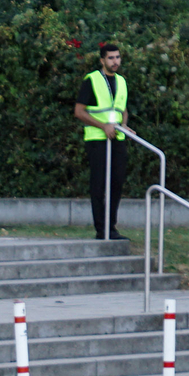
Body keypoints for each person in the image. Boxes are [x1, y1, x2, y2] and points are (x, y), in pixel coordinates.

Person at [71, 43, 133, 241]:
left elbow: (122, 108)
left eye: (117, 57)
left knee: (117, 183)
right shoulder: (92, 80)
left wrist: (124, 124)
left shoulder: (122, 81)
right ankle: (101, 229)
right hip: (97, 140)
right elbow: (79, 111)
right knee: (99, 185)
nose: (115, 62)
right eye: (111, 58)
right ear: (102, 60)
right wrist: (102, 126)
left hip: (117, 139)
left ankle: (111, 228)